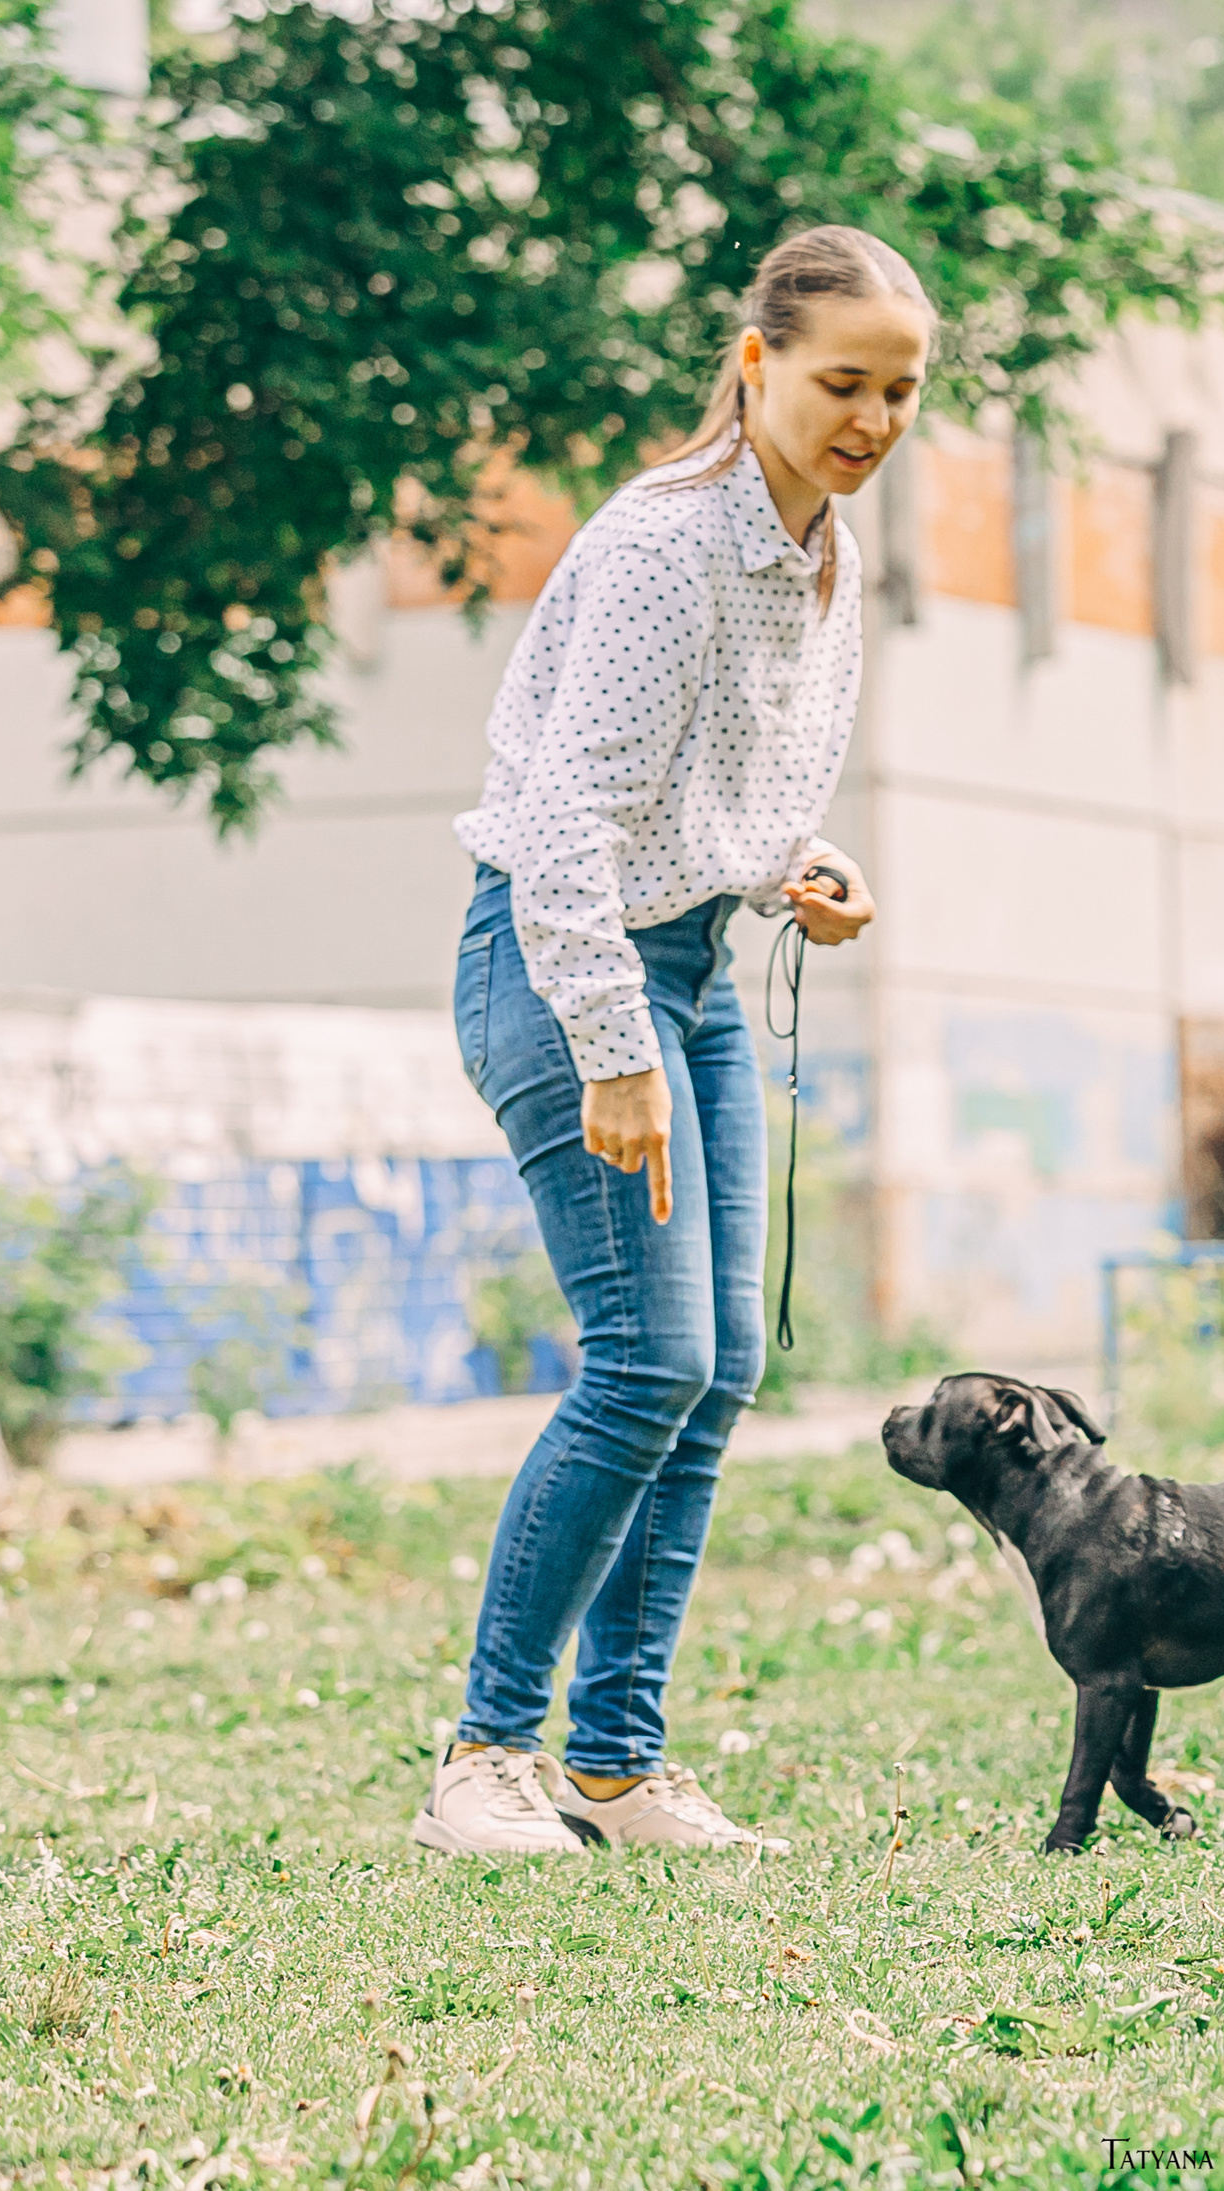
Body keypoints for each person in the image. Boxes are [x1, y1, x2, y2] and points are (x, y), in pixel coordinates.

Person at [412, 227, 930, 1856]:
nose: (871, 419)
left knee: (716, 1373)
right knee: (645, 1359)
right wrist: (612, 1046)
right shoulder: (666, 542)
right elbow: (567, 823)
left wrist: (802, 869)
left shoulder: (827, 553)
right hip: (566, 966)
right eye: (842, 382)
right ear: (758, 362)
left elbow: (710, 799)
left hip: (692, 964)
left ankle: (616, 1765)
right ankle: (482, 1757)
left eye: (900, 391)